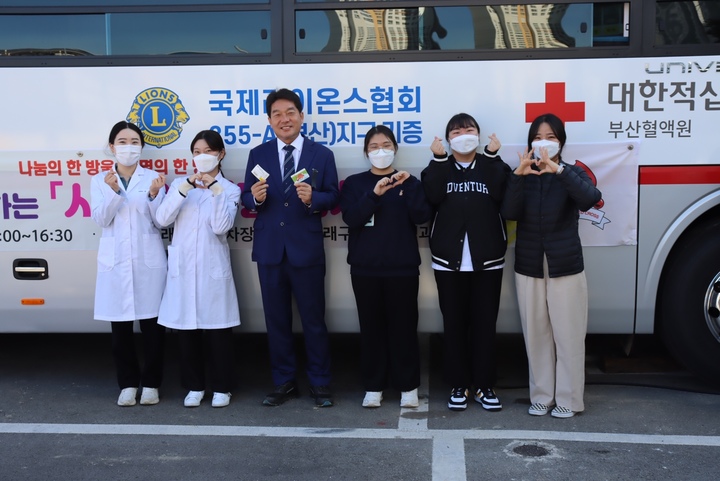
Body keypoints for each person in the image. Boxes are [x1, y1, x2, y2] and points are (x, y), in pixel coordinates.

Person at [241, 88, 339, 408]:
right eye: (277, 114)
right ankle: (283, 381)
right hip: (270, 250)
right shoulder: (259, 154)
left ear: (301, 116)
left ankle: (320, 383)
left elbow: (333, 197)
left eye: (290, 112)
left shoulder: (321, 154)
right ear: (269, 120)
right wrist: (254, 197)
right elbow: (246, 198)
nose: (285, 119)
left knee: (313, 319)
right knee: (277, 320)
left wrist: (315, 199)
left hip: (306, 248)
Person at [502, 113, 602, 418]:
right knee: (536, 333)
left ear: (561, 143)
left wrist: (558, 170)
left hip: (565, 265)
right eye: (538, 136)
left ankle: (569, 400)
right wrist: (518, 176)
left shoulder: (570, 172)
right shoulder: (523, 174)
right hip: (530, 264)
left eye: (551, 137)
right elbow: (508, 211)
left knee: (568, 333)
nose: (544, 143)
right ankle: (542, 396)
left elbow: (590, 199)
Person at [421, 113, 511, 412]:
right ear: (448, 139)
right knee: (455, 324)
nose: (463, 135)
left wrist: (494, 156)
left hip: (489, 260)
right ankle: (458, 384)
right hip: (448, 261)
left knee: (485, 325)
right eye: (456, 131)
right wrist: (438, 161)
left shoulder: (492, 166)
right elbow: (431, 197)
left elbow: (504, 196)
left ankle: (484, 386)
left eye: (469, 130)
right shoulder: (438, 169)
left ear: (479, 135)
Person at [339, 125, 432, 409]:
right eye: (374, 147)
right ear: (366, 152)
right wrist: (375, 194)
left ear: (395, 149)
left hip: (401, 268)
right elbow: (351, 218)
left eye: (386, 145)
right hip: (365, 268)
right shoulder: (355, 183)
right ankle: (374, 385)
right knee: (371, 328)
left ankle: (408, 386)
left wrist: (408, 188)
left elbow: (421, 216)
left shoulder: (410, 181)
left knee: (404, 328)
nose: (381, 151)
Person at [156, 130, 241, 409]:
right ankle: (194, 386)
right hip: (183, 269)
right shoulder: (181, 184)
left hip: (212, 268)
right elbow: (162, 219)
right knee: (187, 331)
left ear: (220, 154)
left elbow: (220, 227)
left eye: (207, 151)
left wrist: (215, 190)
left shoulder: (230, 189)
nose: (201, 157)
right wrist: (185, 189)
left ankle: (222, 387)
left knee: (218, 331)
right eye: (196, 152)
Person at [91, 120, 167, 407]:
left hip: (148, 262)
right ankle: (127, 384)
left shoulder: (153, 178)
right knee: (120, 330)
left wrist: (153, 196)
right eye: (122, 142)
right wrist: (112, 193)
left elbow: (161, 220)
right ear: (112, 147)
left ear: (142, 147)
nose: (128, 147)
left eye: (134, 142)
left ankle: (151, 384)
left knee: (153, 329)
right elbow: (101, 219)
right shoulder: (100, 180)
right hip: (115, 263)